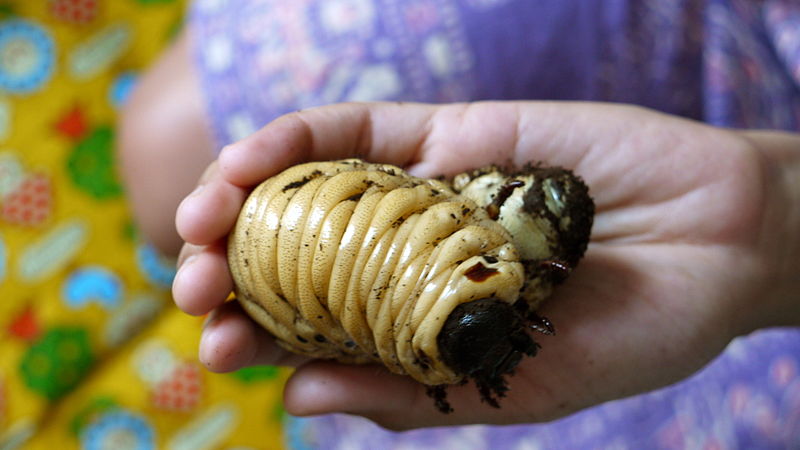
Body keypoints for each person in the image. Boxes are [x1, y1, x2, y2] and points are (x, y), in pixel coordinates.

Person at [118, 0, 800, 447]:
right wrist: (767, 207)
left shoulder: (484, 263)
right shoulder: (479, 264)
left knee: (166, 163)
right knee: (169, 157)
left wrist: (765, 243)